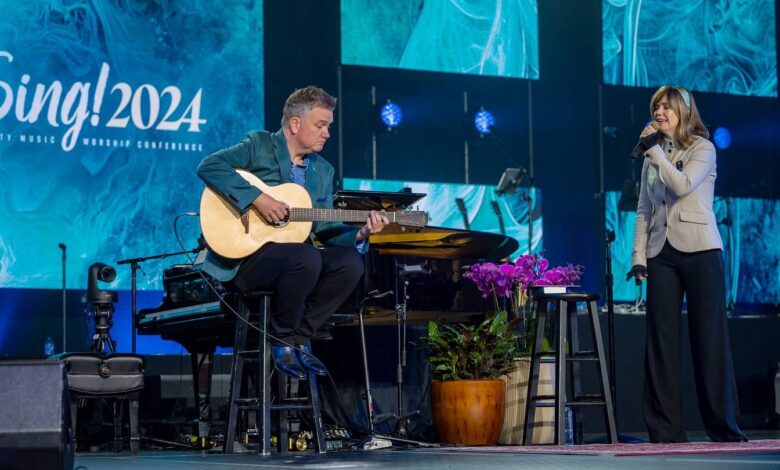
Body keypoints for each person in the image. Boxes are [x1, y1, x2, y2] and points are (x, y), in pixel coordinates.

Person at [197, 86, 389, 380]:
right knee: (306, 257)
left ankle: (298, 337)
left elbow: (324, 229)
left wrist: (360, 234)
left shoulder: (322, 171)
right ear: (295, 124)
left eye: (328, 126)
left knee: (350, 264)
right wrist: (257, 198)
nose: (327, 133)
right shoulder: (259, 144)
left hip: (295, 261)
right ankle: (280, 338)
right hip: (247, 258)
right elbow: (210, 166)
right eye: (320, 125)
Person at [626, 86, 747, 443]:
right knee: (661, 341)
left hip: (701, 251)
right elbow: (644, 209)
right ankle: (665, 430)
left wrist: (655, 154)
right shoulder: (653, 155)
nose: (659, 112)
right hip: (661, 252)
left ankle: (722, 428)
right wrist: (638, 256)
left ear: (683, 111)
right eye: (656, 107)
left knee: (708, 340)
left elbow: (681, 185)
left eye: (666, 107)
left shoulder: (702, 148)